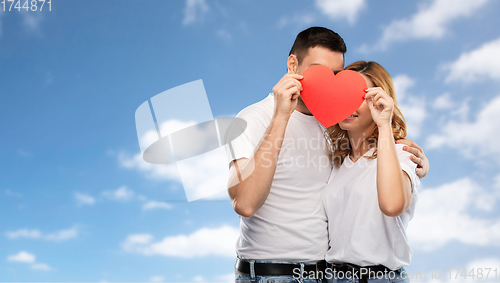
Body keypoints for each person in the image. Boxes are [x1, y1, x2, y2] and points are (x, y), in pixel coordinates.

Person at [225, 27, 429, 283]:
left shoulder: (333, 127)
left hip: (326, 275)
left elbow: (376, 171)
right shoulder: (251, 120)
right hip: (271, 274)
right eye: (317, 70)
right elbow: (244, 203)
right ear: (292, 65)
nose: (326, 82)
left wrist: (412, 161)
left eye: (334, 75)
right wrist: (281, 116)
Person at [322, 61, 418, 283]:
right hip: (332, 276)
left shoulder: (402, 153)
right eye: (344, 95)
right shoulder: (336, 163)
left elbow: (392, 205)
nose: (349, 105)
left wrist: (384, 125)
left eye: (361, 97)